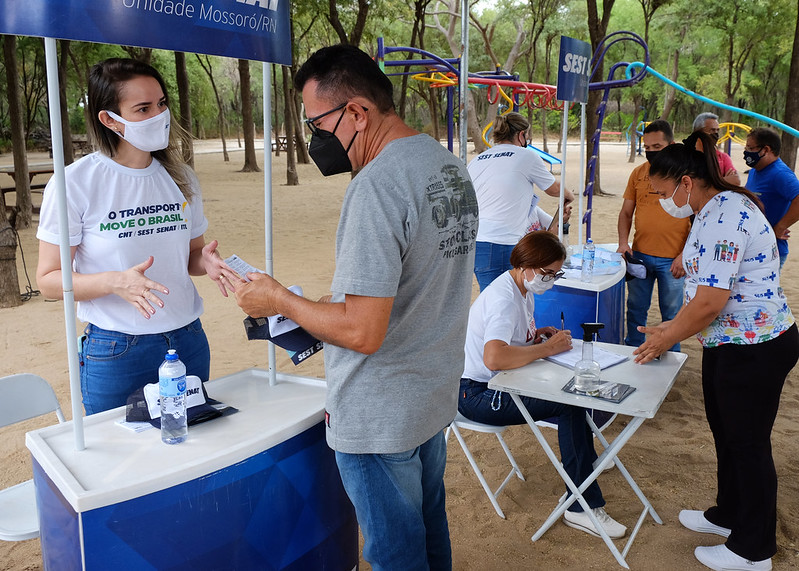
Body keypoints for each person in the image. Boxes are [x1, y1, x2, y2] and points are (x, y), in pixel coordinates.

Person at [235, 44, 477, 570]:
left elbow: (364, 333)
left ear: (357, 113)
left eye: (316, 123)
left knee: (395, 551)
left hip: (379, 412)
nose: (312, 137)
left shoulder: (376, 186)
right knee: (429, 529)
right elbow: (417, 282)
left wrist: (279, 299)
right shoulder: (445, 164)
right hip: (429, 395)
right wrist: (328, 306)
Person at [36, 58, 239, 415]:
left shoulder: (182, 177)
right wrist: (116, 282)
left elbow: (192, 256)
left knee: (189, 449)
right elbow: (49, 281)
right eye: (143, 108)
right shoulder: (74, 183)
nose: (159, 115)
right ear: (110, 119)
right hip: (118, 349)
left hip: (187, 339)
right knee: (121, 461)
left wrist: (205, 262)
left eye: (161, 104)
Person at [634, 131, 798, 571]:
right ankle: (729, 515)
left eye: (665, 192)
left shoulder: (727, 214)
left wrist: (667, 338)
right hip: (726, 341)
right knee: (726, 434)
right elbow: (700, 287)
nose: (663, 200)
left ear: (687, 182)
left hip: (755, 344)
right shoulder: (709, 208)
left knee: (748, 443)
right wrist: (671, 324)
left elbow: (711, 300)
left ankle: (753, 550)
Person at [459, 231, 626, 539]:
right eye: (548, 273)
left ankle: (583, 469)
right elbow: (494, 356)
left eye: (555, 273)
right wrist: (547, 349)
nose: (551, 279)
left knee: (571, 391)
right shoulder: (505, 298)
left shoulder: (520, 288)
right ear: (526, 266)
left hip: (494, 382)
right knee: (569, 402)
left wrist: (535, 339)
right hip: (476, 393)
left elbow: (507, 344)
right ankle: (581, 506)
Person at [468, 112, 574, 290]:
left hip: (476, 241)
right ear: (521, 135)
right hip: (502, 242)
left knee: (498, 296)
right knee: (503, 301)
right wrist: (568, 194)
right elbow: (554, 189)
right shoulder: (526, 156)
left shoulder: (477, 160)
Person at [617, 120, 689, 351]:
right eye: (647, 148)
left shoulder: (687, 177)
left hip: (674, 261)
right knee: (636, 308)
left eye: (657, 147)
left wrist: (684, 255)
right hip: (640, 256)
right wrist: (622, 243)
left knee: (672, 313)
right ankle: (633, 350)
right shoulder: (638, 173)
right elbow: (626, 213)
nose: (651, 153)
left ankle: (671, 354)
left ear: (672, 144)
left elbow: (699, 222)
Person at [744, 127, 799, 269]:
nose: (746, 153)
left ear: (766, 150)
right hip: (753, 248)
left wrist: (781, 226)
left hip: (771, 252)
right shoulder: (754, 171)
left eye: (750, 148)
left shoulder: (780, 174)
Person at [693, 112, 741, 186]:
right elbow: (695, 186)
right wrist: (723, 180)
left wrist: (710, 184)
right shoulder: (686, 157)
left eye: (717, 130)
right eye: (712, 130)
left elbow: (735, 181)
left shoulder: (723, 158)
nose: (716, 134)